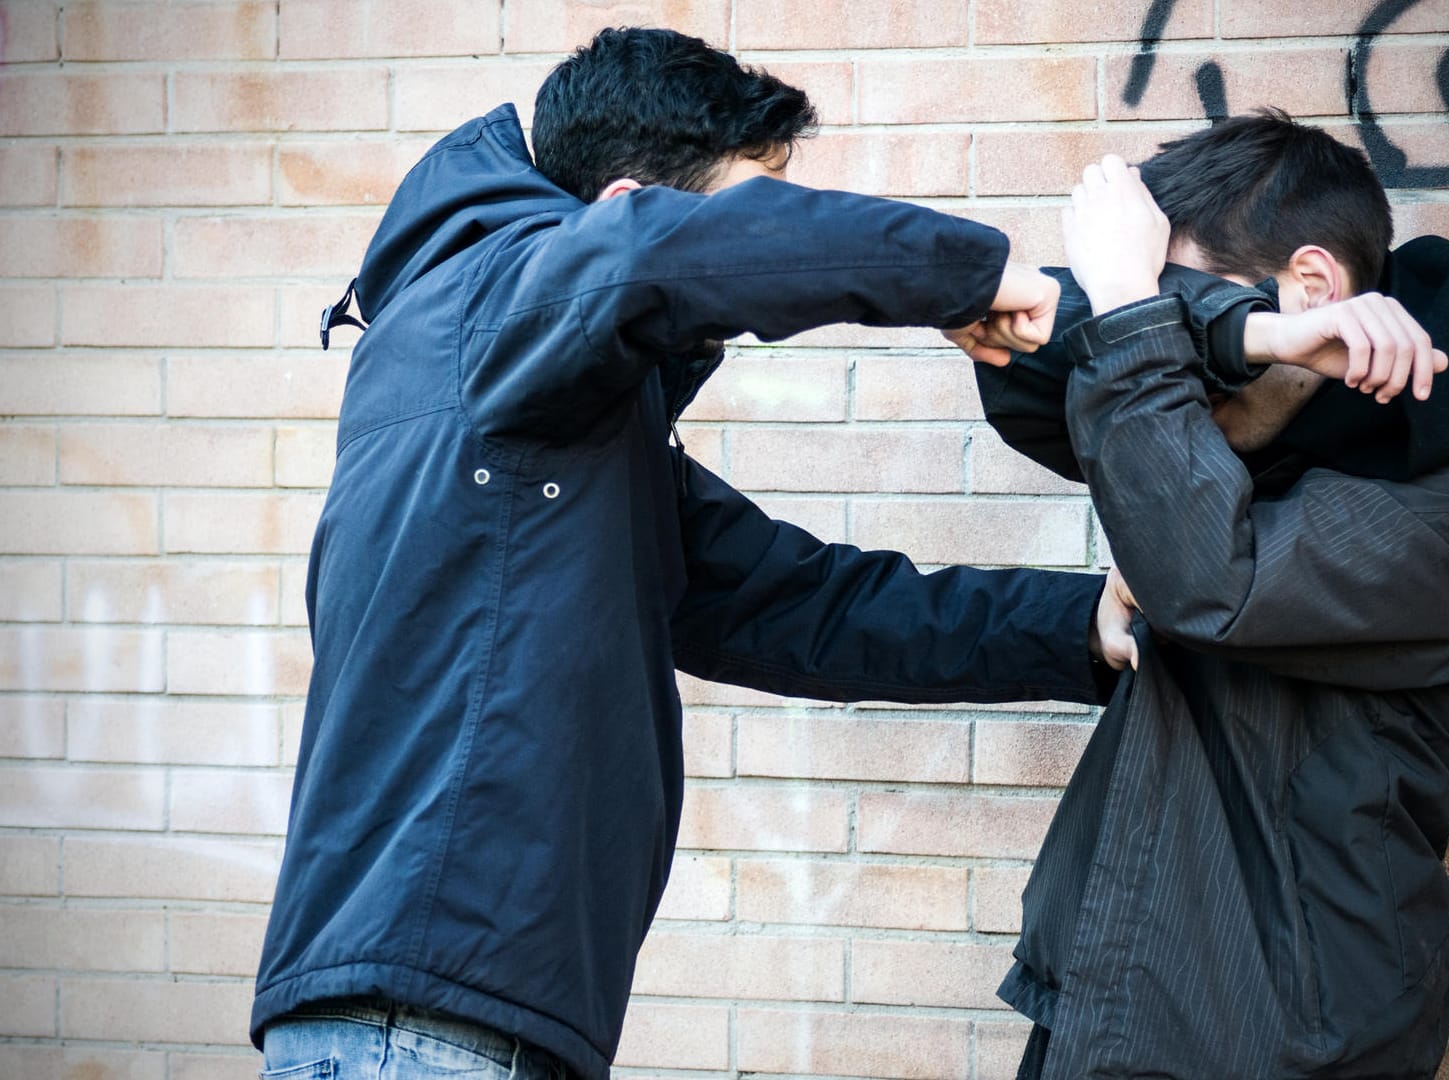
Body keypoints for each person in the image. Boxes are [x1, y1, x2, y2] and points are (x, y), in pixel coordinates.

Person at [250, 27, 1128, 1080]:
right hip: (418, 1033)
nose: (769, 248)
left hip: (459, 1023)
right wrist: (973, 276)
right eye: (751, 212)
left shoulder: (561, 432)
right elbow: (657, 258)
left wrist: (1082, 627)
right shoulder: (484, 304)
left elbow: (810, 609)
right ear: (627, 205)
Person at [960, 113, 1449, 1078]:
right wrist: (1210, 323)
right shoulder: (1274, 411)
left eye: (1186, 309)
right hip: (1110, 986)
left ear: (1316, 283)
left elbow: (1214, 585)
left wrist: (1132, 310)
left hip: (1279, 1029)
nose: (1176, 355)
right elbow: (1034, 380)